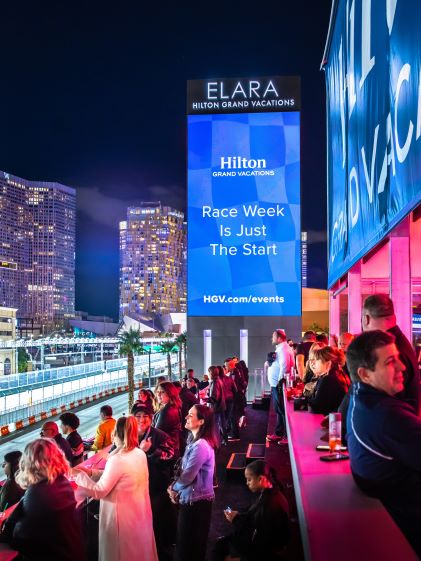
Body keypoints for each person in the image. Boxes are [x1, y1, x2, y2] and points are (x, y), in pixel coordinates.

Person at [346, 330, 421, 557]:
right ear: (365, 374)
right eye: (390, 362)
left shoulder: (361, 397)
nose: (402, 367)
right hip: (408, 521)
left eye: (397, 358)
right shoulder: (386, 416)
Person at [75, 416, 158, 561]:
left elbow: (99, 491)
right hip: (137, 514)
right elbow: (117, 476)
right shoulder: (139, 453)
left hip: (121, 519)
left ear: (117, 434)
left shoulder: (118, 459)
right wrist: (91, 473)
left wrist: (78, 476)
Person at [0, 439, 86, 561]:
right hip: (72, 551)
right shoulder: (61, 482)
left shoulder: (38, 493)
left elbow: (21, 538)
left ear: (29, 464)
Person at [212, 460, 290, 561]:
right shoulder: (272, 490)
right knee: (221, 545)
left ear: (261, 479)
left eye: (249, 479)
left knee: (219, 551)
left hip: (267, 552)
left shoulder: (268, 506)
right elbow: (254, 519)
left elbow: (260, 545)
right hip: (263, 543)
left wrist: (239, 559)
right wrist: (237, 517)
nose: (247, 483)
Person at [168, 404, 217, 561]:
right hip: (192, 500)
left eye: (190, 415)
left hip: (196, 504)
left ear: (201, 421)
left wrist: (173, 488)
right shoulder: (194, 441)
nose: (186, 417)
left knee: (190, 546)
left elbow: (188, 475)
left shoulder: (201, 445)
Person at [361, 294, 420, 413]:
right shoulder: (399, 342)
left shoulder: (387, 349)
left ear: (366, 319)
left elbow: (387, 399)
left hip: (395, 426)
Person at [133, 405, 176, 561]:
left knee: (156, 523)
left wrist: (151, 451)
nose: (142, 420)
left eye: (146, 416)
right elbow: (115, 451)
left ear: (151, 418)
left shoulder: (160, 436)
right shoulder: (128, 435)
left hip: (155, 488)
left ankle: (158, 553)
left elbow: (171, 456)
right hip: (135, 488)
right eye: (138, 416)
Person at [266, 329, 295, 443]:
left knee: (282, 410)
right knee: (279, 410)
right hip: (276, 385)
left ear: (279, 338)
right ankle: (278, 433)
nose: (271, 339)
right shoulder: (281, 348)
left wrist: (279, 382)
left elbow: (285, 367)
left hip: (279, 385)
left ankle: (287, 437)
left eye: (273, 336)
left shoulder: (283, 349)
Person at [306, 346, 350, 416]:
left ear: (328, 363)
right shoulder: (340, 374)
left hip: (332, 423)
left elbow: (316, 407)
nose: (312, 363)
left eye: (316, 360)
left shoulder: (328, 379)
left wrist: (301, 400)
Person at [153, 381, 182, 458]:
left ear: (170, 394)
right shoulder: (174, 407)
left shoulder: (166, 412)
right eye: (158, 392)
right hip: (173, 448)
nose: (158, 394)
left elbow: (155, 435)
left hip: (166, 452)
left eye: (162, 392)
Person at [207, 365, 227, 444]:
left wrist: (206, 399)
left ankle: (217, 443)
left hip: (216, 408)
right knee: (222, 425)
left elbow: (214, 398)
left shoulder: (215, 382)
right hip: (221, 406)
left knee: (215, 426)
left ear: (211, 373)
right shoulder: (219, 380)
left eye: (208, 372)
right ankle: (224, 440)